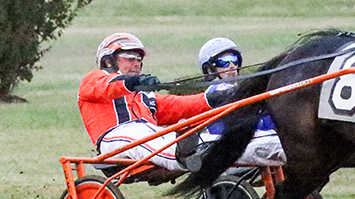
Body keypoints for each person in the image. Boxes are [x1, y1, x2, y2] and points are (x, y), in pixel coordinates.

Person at [79, 32, 223, 172]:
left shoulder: (144, 95)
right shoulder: (93, 79)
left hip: (149, 133)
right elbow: (109, 85)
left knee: (215, 141)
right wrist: (134, 82)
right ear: (108, 61)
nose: (137, 64)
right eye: (130, 58)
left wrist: (213, 99)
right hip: (114, 139)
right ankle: (181, 156)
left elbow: (177, 105)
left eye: (139, 59)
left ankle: (239, 151)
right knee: (143, 138)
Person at [196, 37, 286, 167]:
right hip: (231, 141)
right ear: (209, 70)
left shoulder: (236, 88)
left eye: (235, 59)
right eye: (224, 62)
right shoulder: (217, 90)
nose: (232, 65)